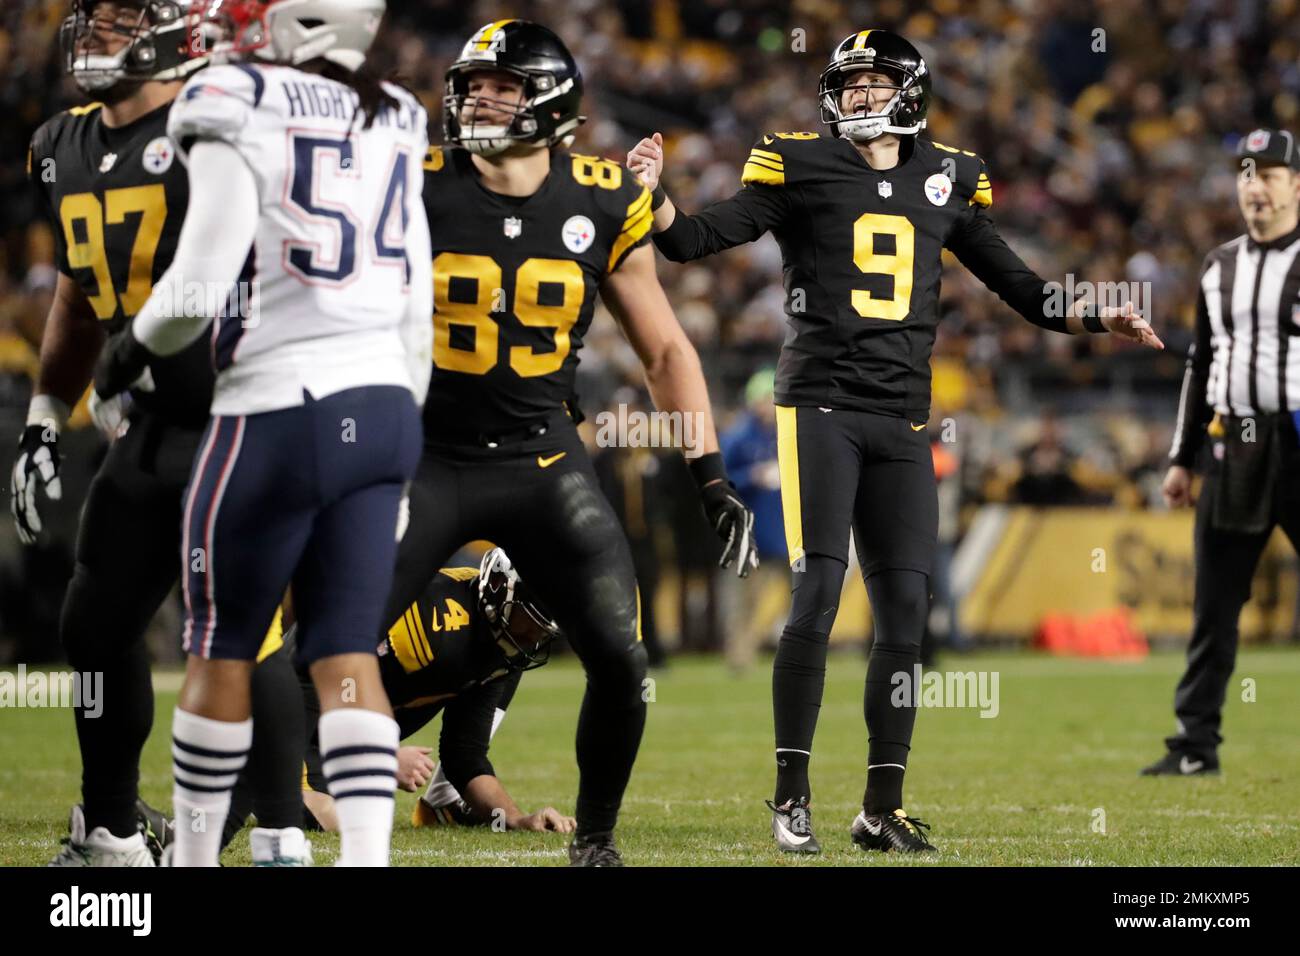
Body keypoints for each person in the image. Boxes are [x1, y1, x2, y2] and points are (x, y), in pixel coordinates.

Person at [628, 29, 1163, 854]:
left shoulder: (949, 174)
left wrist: (1098, 314)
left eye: (876, 83)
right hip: (821, 409)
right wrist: (656, 198)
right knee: (817, 592)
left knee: (907, 612)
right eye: (850, 84)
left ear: (909, 92)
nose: (860, 96)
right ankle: (791, 794)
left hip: (905, 416)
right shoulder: (798, 161)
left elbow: (1022, 289)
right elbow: (696, 239)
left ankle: (881, 806)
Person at [393, 19, 757, 866]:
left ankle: (596, 840)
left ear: (551, 101)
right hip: (425, 454)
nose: (477, 99)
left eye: (502, 86)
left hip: (540, 458)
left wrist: (712, 479)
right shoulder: (413, 184)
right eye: (471, 85)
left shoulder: (603, 196)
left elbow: (665, 349)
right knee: (327, 641)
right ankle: (265, 800)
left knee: (621, 659)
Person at [93, 0, 432, 867]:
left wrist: (127, 352)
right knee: (347, 652)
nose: (230, 29)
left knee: (220, 646)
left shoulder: (234, 97)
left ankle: (196, 860)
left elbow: (202, 278)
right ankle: (365, 859)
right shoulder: (395, 111)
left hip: (279, 407)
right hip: (385, 408)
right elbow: (416, 311)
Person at [17, 0, 303, 867]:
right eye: (90, 16)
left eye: (121, 15)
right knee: (95, 624)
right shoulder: (57, 143)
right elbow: (76, 295)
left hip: (234, 410)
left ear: (177, 25)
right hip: (140, 424)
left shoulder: (217, 120)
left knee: (241, 631)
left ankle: (281, 835)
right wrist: (41, 418)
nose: (97, 30)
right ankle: (110, 829)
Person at [221, 548, 576, 860]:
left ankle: (441, 803)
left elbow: (464, 755)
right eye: (530, 624)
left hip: (334, 730)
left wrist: (515, 818)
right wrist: (379, 755)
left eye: (543, 632)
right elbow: (335, 670)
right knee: (336, 818)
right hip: (299, 700)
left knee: (358, 810)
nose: (533, 639)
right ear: (501, 591)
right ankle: (251, 785)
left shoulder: (507, 648)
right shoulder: (434, 616)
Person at [1144, 128, 1300, 777]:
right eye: (1244, 173)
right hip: (1233, 443)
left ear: (1296, 185)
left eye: (1267, 173)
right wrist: (1182, 456)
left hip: (1297, 436)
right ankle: (1194, 746)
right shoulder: (1219, 265)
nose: (1253, 185)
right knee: (1215, 602)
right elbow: (1200, 363)